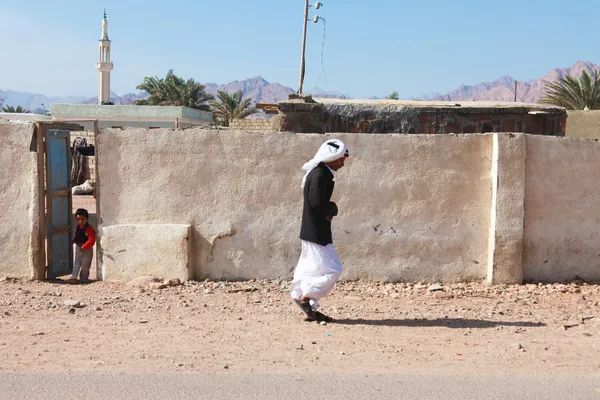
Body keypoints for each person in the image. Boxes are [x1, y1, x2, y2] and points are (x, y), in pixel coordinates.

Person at [290, 139, 349, 322]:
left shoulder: (318, 173)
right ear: (331, 158)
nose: (342, 162)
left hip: (311, 230)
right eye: (341, 159)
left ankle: (310, 309)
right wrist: (332, 208)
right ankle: (305, 297)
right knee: (334, 269)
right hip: (316, 232)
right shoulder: (320, 175)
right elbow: (317, 203)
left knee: (313, 270)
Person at [67, 208, 96, 284]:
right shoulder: (78, 227)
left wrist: (85, 246)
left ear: (86, 219)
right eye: (78, 219)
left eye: (82, 219)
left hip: (87, 250)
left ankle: (84, 279)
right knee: (76, 263)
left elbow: (91, 240)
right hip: (78, 248)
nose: (80, 222)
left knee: (85, 265)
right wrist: (73, 241)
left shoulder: (90, 229)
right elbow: (76, 236)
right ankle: (74, 278)